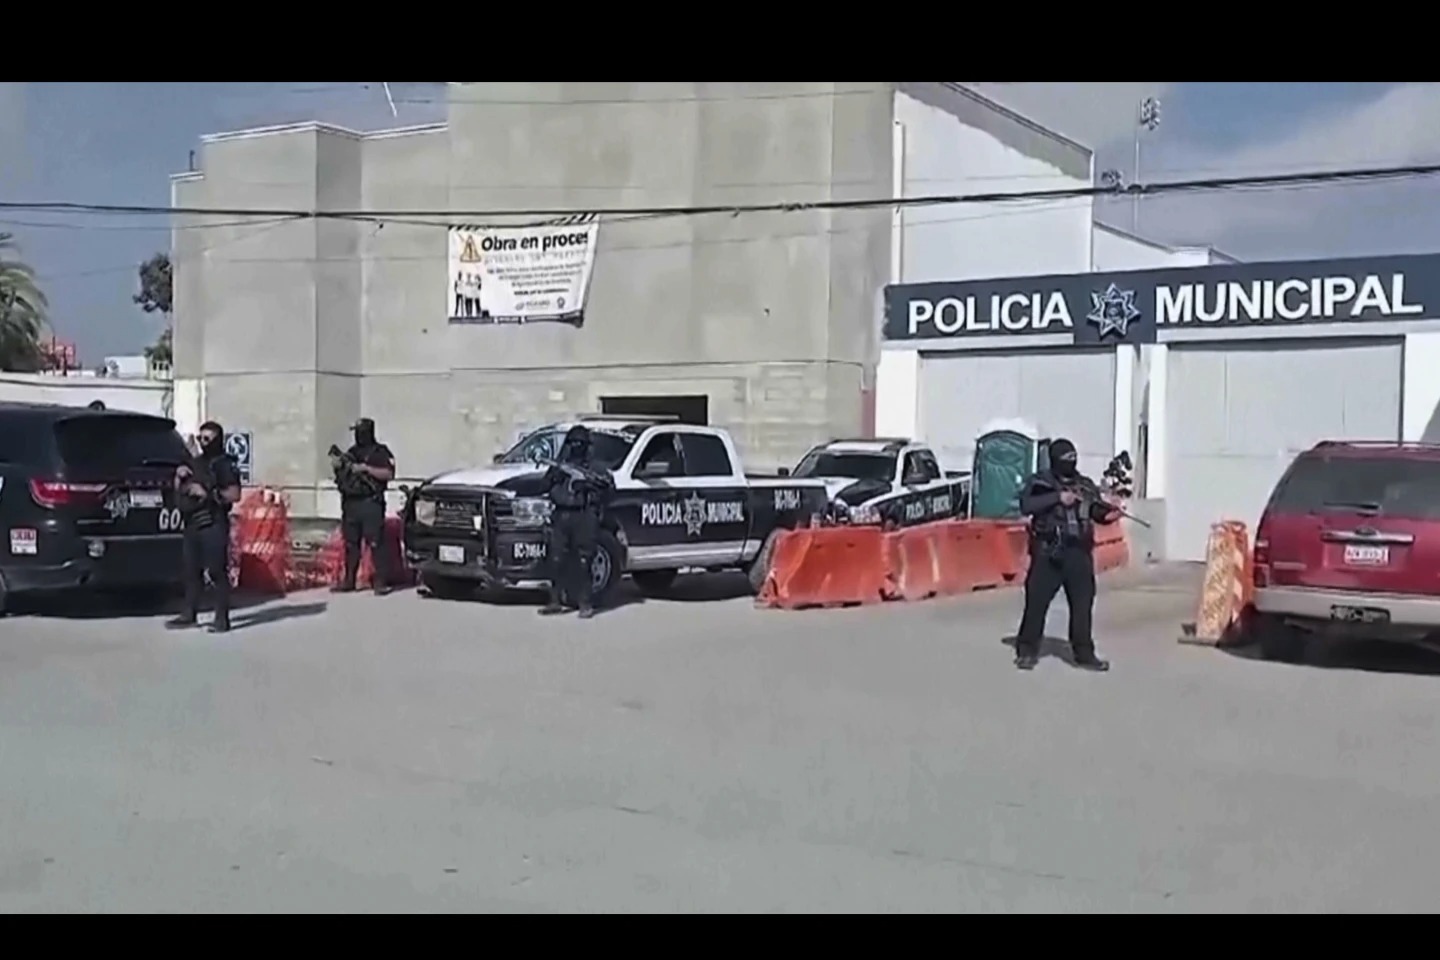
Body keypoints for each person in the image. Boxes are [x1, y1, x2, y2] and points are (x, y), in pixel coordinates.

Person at [1013, 438, 1121, 673]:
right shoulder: (1041, 482)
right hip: (1048, 552)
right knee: (1036, 604)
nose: (1071, 463)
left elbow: (1096, 510)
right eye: (1066, 459)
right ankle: (1027, 651)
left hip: (1078, 553)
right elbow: (1026, 505)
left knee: (1082, 605)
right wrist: (1057, 498)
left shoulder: (1084, 485)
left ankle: (1084, 654)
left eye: (1074, 458)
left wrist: (1108, 514)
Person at [168, 421, 242, 634]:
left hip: (214, 522)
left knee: (217, 571)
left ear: (217, 440)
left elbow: (235, 494)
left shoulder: (224, 464)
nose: (202, 442)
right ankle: (189, 613)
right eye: (200, 438)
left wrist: (207, 494)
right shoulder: (195, 463)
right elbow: (180, 490)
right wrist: (179, 477)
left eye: (207, 439)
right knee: (191, 570)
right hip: (192, 522)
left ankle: (221, 619)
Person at [539, 426, 614, 620]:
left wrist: (589, 487)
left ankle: (585, 603)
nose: (575, 447)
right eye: (572, 443)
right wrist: (554, 477)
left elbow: (609, 490)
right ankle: (555, 601)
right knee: (556, 559)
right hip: (561, 515)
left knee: (584, 561)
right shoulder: (560, 466)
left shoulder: (595, 468)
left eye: (579, 443)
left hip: (584, 515)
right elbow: (544, 486)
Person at [332, 418, 396, 596]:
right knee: (351, 544)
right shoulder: (351, 453)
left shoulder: (380, 452)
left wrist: (366, 469)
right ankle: (349, 580)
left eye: (360, 431)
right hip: (351, 503)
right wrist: (339, 467)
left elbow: (388, 474)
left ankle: (380, 582)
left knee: (376, 543)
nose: (357, 436)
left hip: (371, 503)